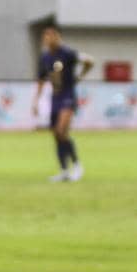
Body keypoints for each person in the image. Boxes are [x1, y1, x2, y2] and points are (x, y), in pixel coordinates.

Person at [31, 25, 94, 182]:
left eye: (51, 35)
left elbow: (89, 61)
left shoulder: (68, 53)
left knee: (61, 130)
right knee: (56, 134)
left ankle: (77, 165)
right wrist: (36, 100)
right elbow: (41, 79)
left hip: (68, 95)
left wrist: (80, 77)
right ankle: (64, 170)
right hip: (55, 97)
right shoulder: (45, 57)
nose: (48, 39)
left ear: (58, 37)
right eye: (46, 36)